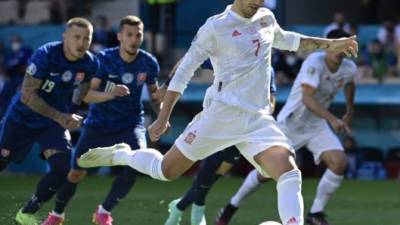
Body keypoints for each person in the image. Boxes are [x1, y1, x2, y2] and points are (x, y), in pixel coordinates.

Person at [78, 1, 358, 225]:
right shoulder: (216, 27)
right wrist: (163, 117)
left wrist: (329, 44)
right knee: (166, 171)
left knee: (289, 173)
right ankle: (122, 154)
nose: (258, 2)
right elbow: (184, 72)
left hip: (257, 119)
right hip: (220, 115)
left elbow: (291, 41)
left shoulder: (265, 18)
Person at [216, 29, 357, 225]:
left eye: (343, 47)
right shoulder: (314, 62)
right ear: (328, 46)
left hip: (316, 125)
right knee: (266, 173)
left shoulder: (349, 68)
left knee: (339, 162)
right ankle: (231, 207)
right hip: (291, 123)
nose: (339, 51)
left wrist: (349, 111)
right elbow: (307, 98)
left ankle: (315, 213)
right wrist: (334, 120)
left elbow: (349, 83)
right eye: (336, 46)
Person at [41, 15, 161, 225]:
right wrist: (112, 93)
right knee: (76, 173)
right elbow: (86, 95)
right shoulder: (103, 60)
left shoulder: (148, 62)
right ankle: (57, 214)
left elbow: (154, 95)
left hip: (130, 123)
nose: (134, 39)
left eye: (138, 35)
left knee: (135, 164)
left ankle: (104, 211)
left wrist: (162, 115)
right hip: (99, 124)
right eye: (129, 35)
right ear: (120, 37)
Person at [0, 18, 98, 225]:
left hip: (51, 123)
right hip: (21, 118)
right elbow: (27, 95)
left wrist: (71, 112)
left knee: (63, 167)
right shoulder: (45, 55)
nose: (81, 43)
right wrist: (62, 116)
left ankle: (26, 213)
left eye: (86, 38)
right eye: (76, 37)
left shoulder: (90, 63)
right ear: (65, 37)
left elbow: (82, 88)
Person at [164, 64, 277, 225]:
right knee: (211, 165)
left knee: (215, 174)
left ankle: (179, 207)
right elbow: (197, 59)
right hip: (221, 120)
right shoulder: (234, 52)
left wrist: (264, 111)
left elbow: (271, 100)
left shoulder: (267, 68)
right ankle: (198, 211)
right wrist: (170, 82)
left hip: (245, 128)